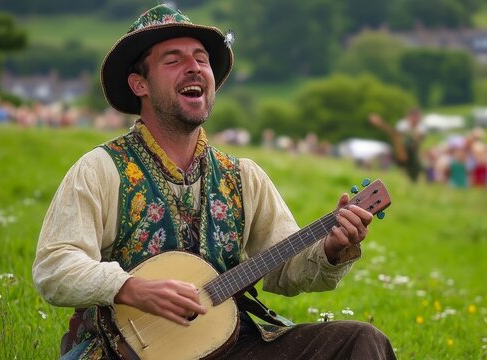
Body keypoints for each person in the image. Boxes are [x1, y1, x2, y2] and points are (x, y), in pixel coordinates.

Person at [32, 5, 396, 360]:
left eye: (201, 59)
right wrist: (129, 288)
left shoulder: (242, 176)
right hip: (125, 351)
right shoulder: (101, 169)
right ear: (139, 83)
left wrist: (331, 249)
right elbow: (54, 267)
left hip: (230, 345)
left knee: (361, 341)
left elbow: (287, 270)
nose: (194, 68)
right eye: (173, 60)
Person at [369, 108, 426, 183]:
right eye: (413, 117)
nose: (415, 119)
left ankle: (413, 180)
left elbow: (419, 139)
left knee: (416, 169)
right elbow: (395, 135)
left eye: (416, 117)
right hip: (400, 152)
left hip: (412, 153)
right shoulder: (403, 125)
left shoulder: (421, 127)